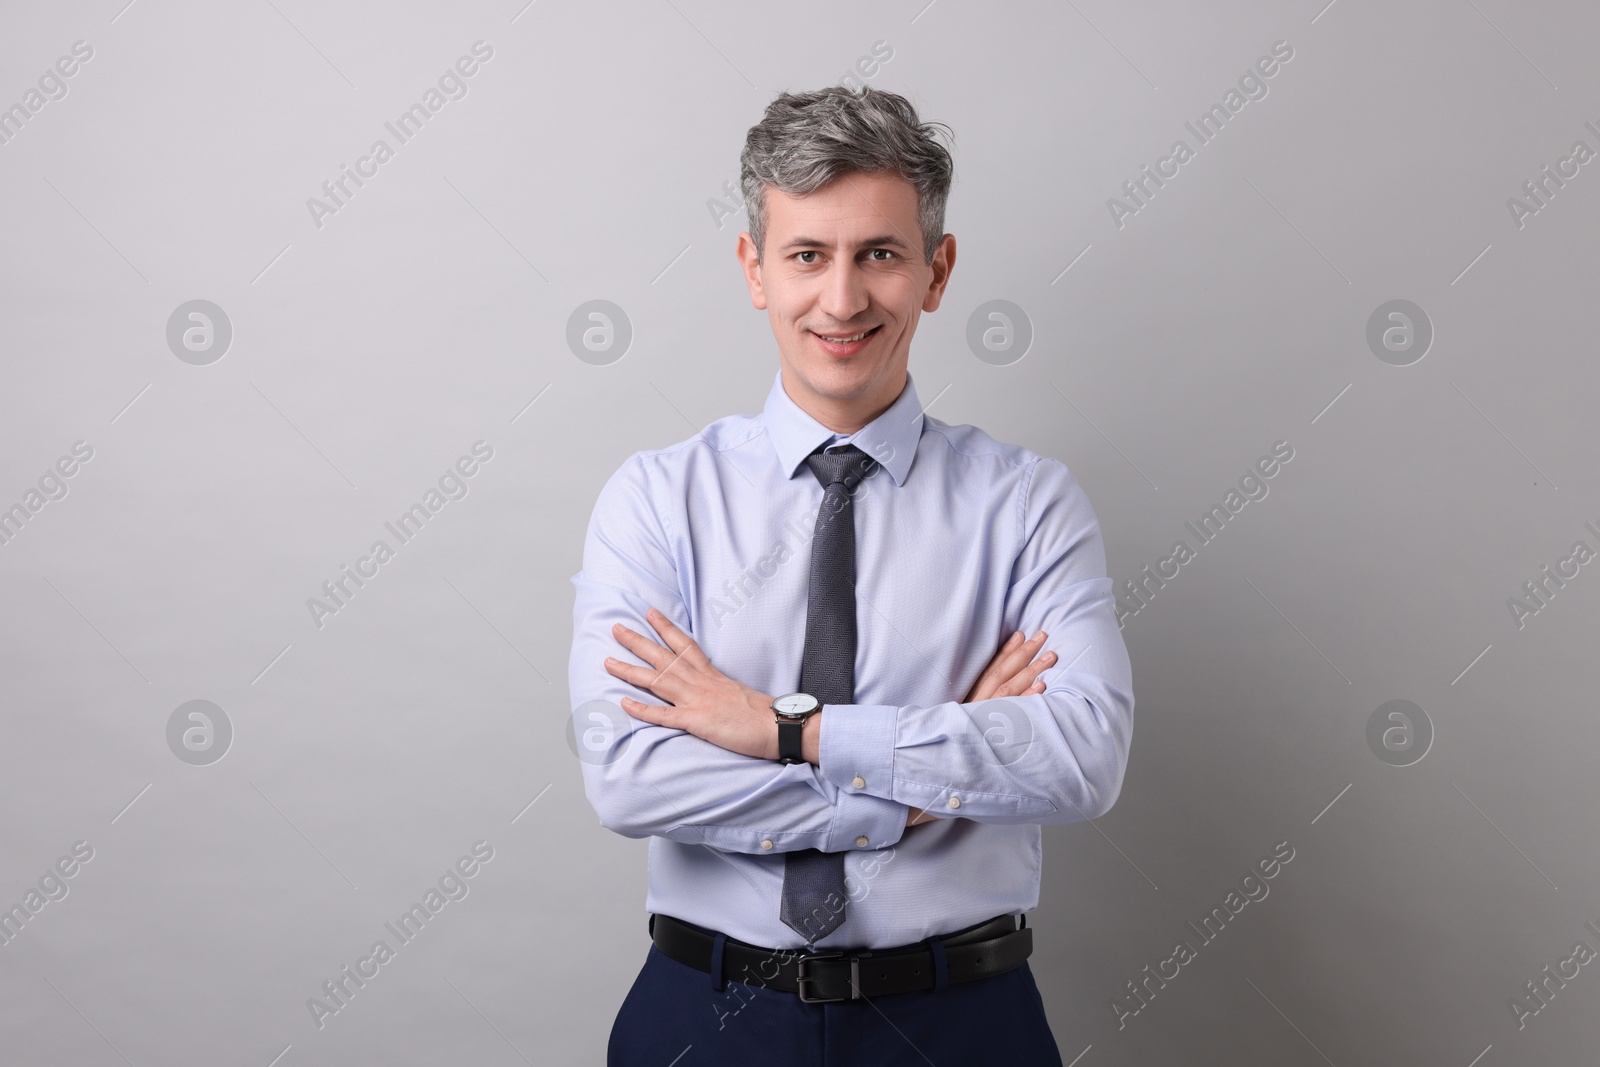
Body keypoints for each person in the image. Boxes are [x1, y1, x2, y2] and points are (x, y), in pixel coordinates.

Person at [568, 85, 1134, 1066]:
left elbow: (1080, 756)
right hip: (706, 1020)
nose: (841, 299)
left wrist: (784, 729)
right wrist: (918, 789)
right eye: (806, 255)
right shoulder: (657, 499)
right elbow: (630, 776)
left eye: (878, 253)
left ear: (936, 269)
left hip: (962, 1023)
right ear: (754, 268)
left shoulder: (1028, 505)